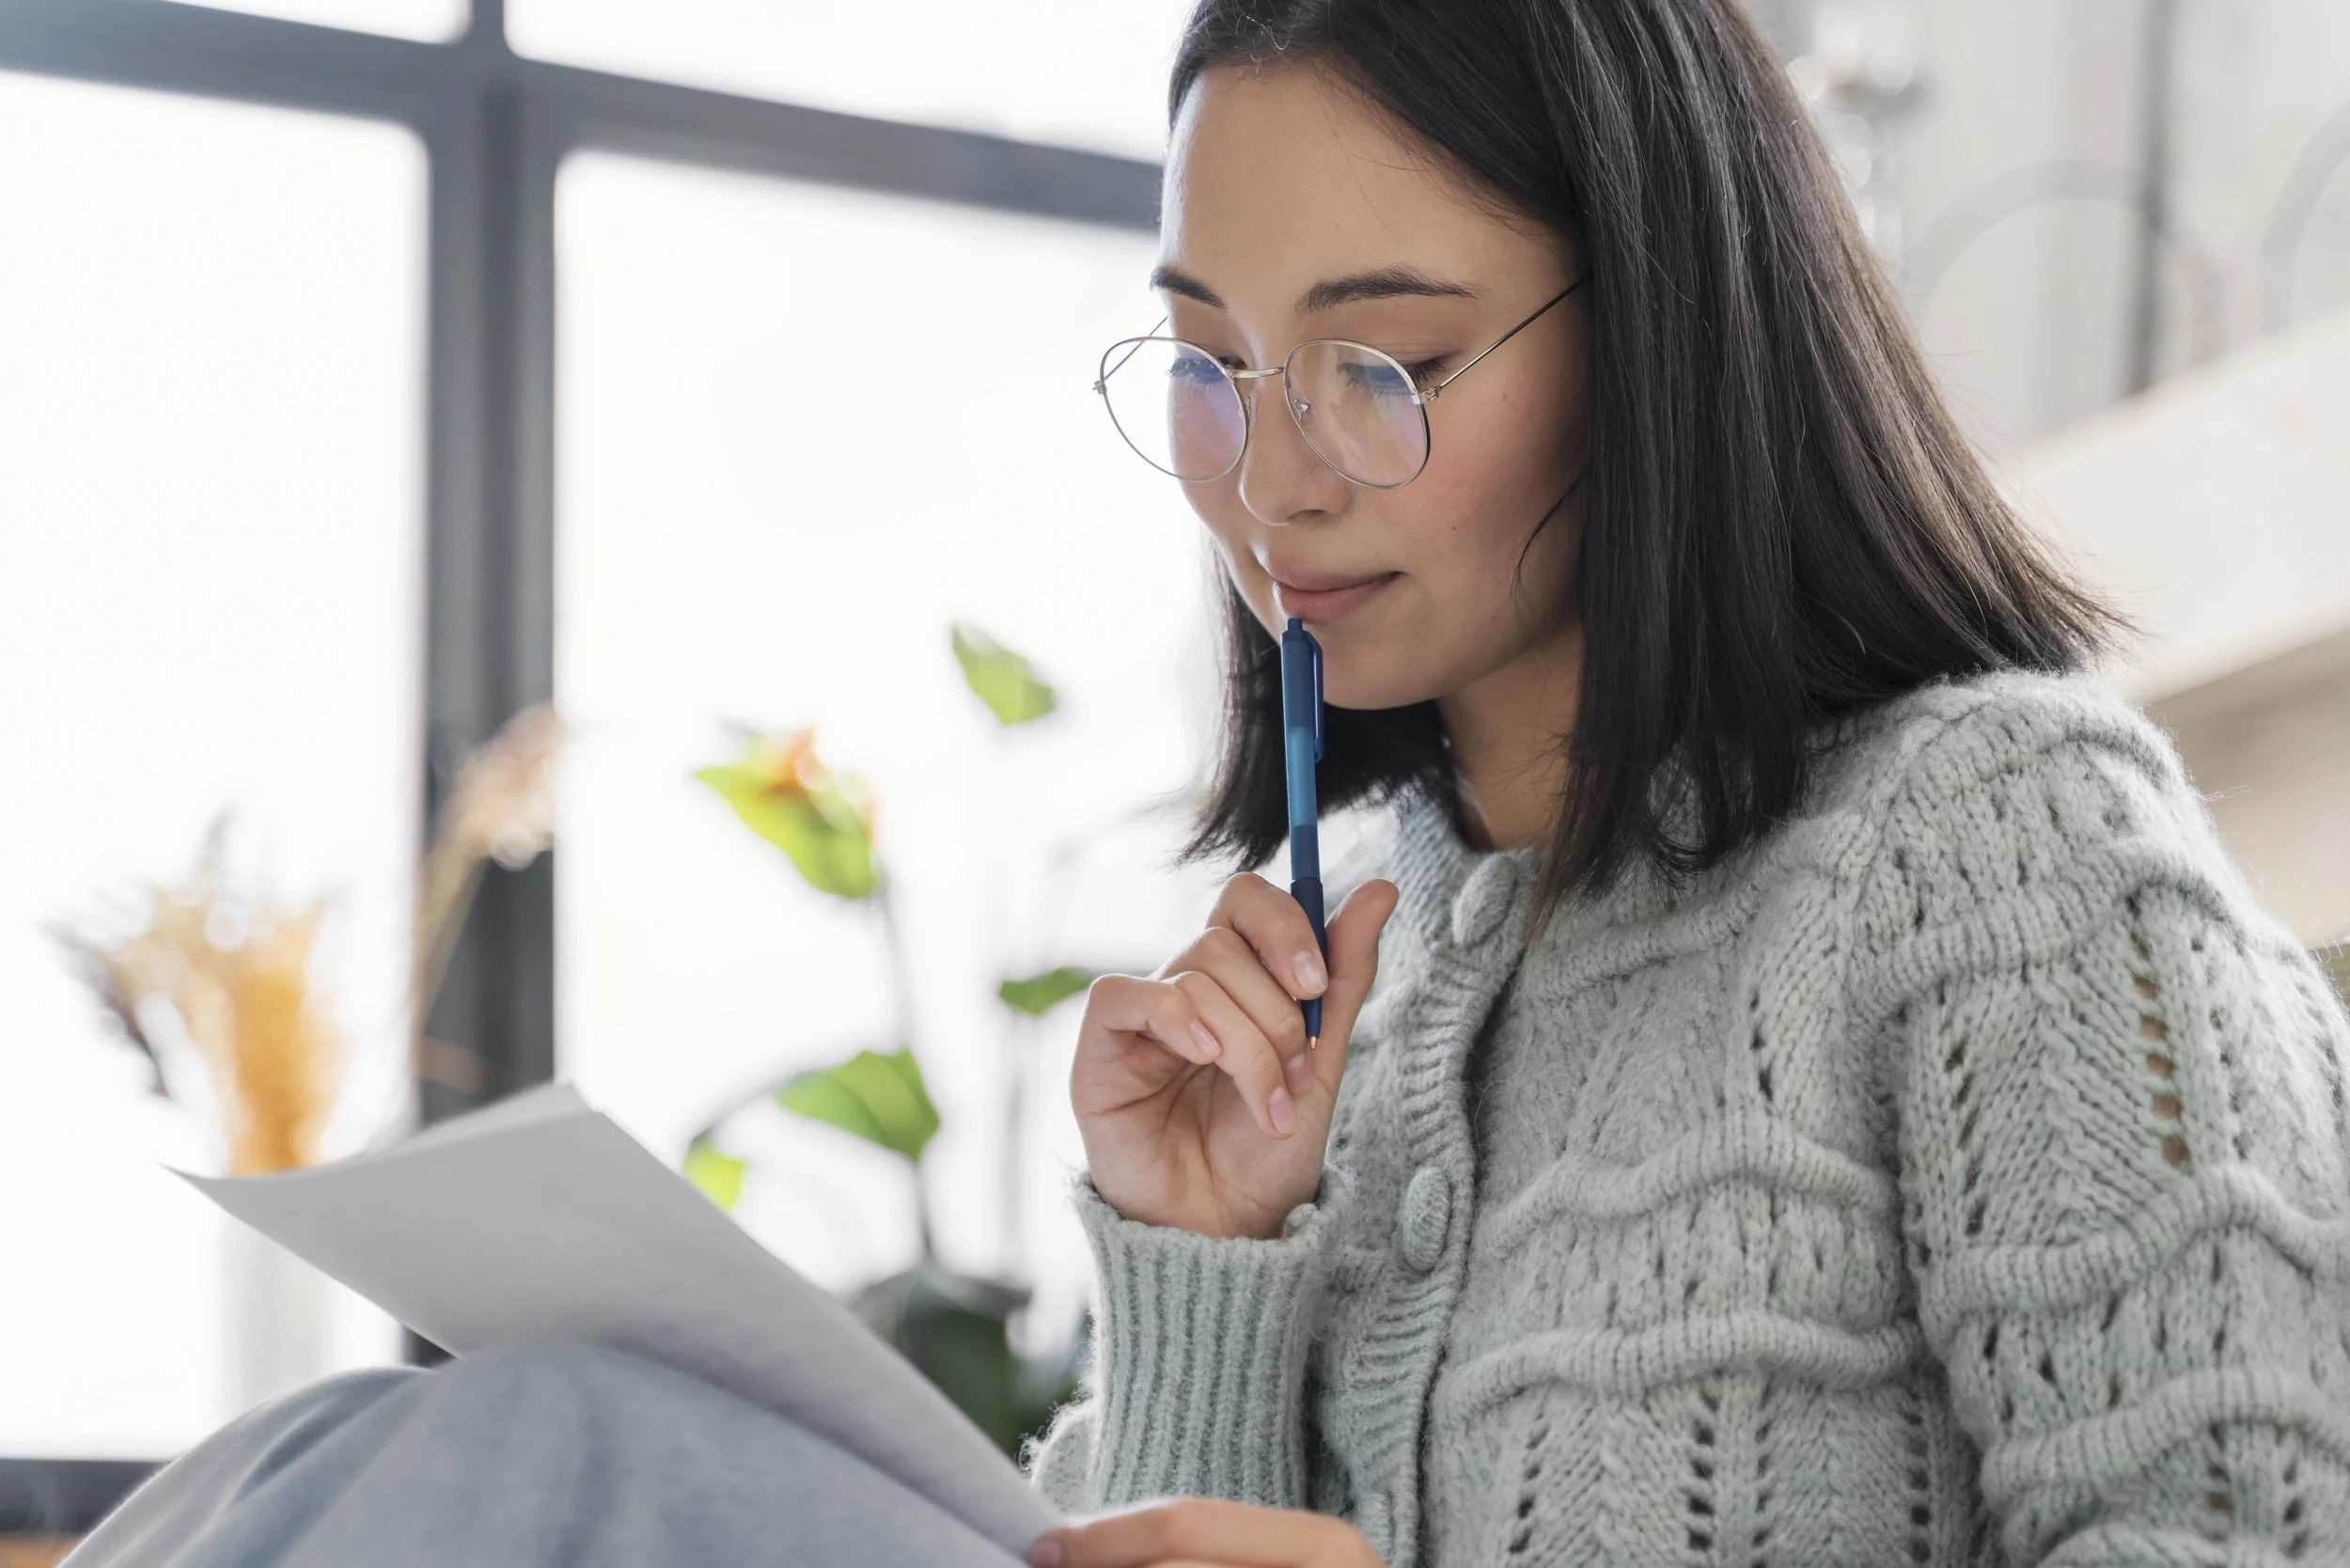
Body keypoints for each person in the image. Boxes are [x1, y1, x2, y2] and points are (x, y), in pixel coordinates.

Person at [70, 2, 2350, 1566]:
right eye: (1199, 359)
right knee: (352, 1445)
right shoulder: (1354, 962)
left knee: (538, 1454)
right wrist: (1195, 1266)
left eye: (1383, 362)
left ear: (1661, 327)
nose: (1265, 477)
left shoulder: (2000, 844)